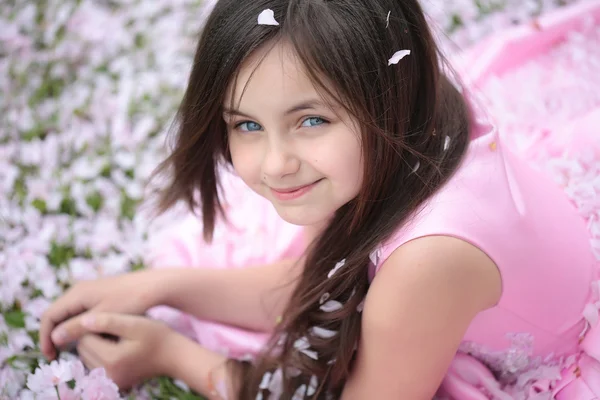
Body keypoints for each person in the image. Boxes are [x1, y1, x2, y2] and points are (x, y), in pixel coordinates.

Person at [38, 0, 600, 398]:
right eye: (247, 125)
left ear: (389, 100)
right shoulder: (401, 137)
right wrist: (160, 287)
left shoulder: (427, 262)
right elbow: (311, 279)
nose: (276, 164)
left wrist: (173, 355)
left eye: (311, 119)